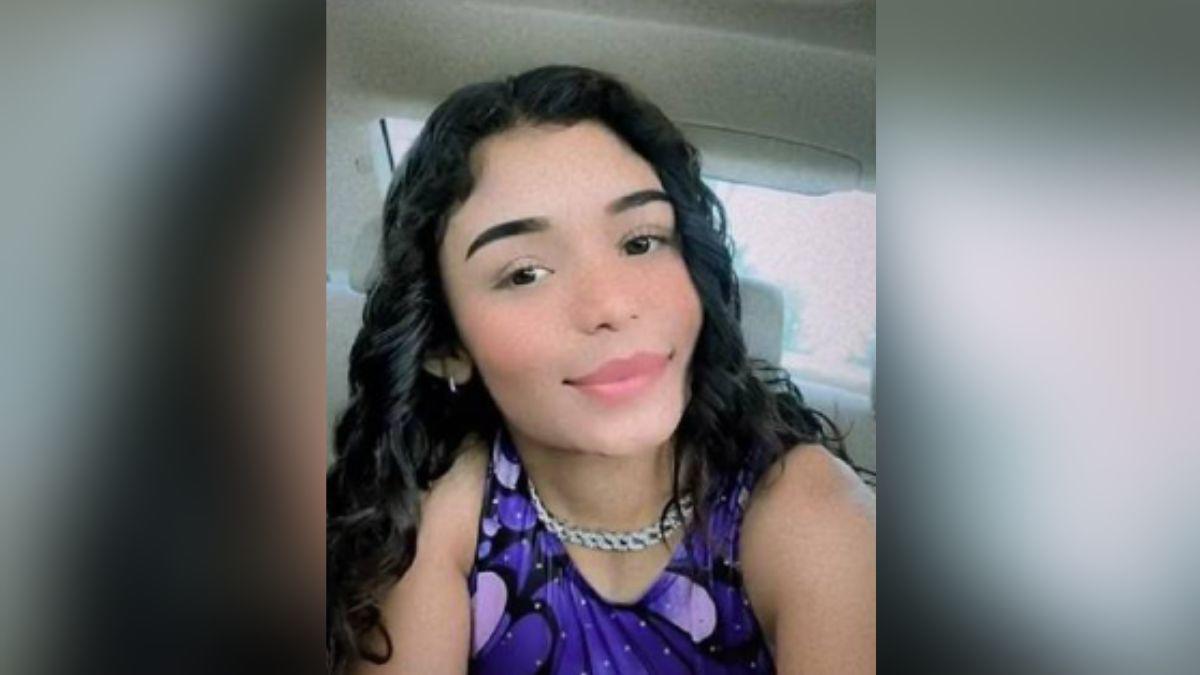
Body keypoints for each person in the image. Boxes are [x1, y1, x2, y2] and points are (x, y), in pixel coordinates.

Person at [327, 65, 875, 674]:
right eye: (525, 273)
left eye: (641, 242)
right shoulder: (442, 514)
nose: (610, 305)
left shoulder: (809, 510)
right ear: (446, 345)